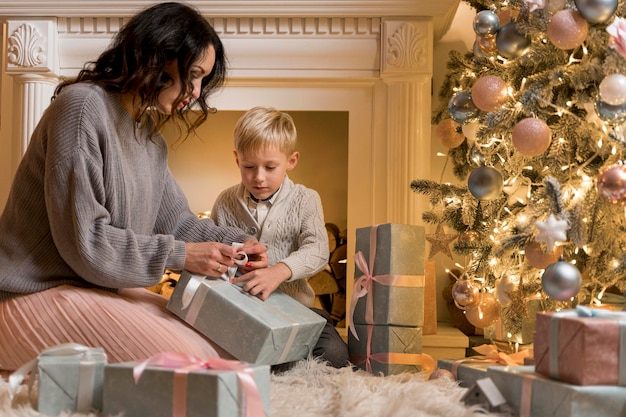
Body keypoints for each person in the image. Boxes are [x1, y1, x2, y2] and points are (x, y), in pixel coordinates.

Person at [0, 2, 268, 372]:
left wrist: (238, 244)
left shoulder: (149, 138)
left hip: (92, 290)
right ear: (156, 57)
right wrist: (182, 255)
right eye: (192, 74)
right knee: (198, 363)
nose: (196, 91)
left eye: (203, 79)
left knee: (223, 341)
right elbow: (87, 243)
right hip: (27, 295)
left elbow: (179, 224)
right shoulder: (81, 109)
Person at [211, 106, 350, 369]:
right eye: (249, 166)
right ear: (237, 159)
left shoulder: (306, 199)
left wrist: (279, 271)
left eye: (270, 167)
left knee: (334, 353)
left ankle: (272, 360)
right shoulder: (225, 201)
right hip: (241, 314)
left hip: (294, 311)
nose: (259, 177)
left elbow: (318, 249)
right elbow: (216, 248)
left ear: (291, 160)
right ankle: (270, 360)